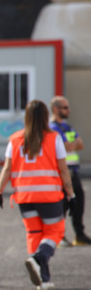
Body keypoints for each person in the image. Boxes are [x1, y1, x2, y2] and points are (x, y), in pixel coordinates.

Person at [0, 99, 75, 290]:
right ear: (46, 116)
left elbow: (7, 169)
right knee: (55, 232)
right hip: (49, 196)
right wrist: (71, 194)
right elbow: (63, 170)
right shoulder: (54, 138)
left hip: (24, 197)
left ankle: (44, 279)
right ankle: (37, 258)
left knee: (34, 234)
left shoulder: (14, 139)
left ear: (27, 117)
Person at [49, 96, 90, 246]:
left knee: (78, 203)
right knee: (62, 206)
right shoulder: (52, 128)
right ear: (55, 109)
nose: (68, 110)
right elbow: (67, 146)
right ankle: (57, 236)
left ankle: (79, 234)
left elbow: (80, 145)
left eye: (68, 107)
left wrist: (70, 143)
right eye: (65, 108)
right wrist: (71, 143)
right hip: (61, 173)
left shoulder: (68, 127)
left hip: (74, 171)